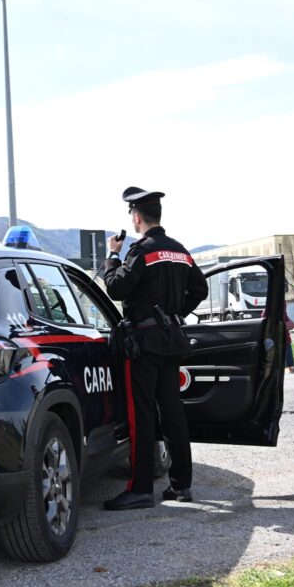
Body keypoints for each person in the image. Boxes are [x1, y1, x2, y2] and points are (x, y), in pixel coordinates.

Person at [100, 187, 208, 510]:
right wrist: (174, 315)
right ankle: (181, 485)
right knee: (173, 413)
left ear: (136, 217)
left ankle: (140, 489)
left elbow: (117, 286)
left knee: (141, 416)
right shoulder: (180, 251)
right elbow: (200, 288)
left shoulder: (140, 251)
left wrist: (112, 257)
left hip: (144, 346)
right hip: (171, 342)